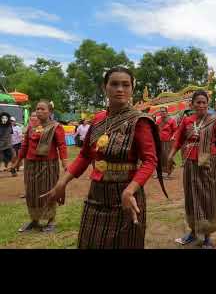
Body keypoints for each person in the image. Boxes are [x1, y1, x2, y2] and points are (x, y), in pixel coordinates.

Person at [42, 67, 166, 248]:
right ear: (105, 88)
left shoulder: (140, 121)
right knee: (91, 241)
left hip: (126, 195)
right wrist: (62, 182)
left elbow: (150, 160)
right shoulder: (99, 119)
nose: (120, 89)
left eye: (125, 85)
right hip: (97, 194)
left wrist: (130, 190)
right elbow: (85, 156)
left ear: (132, 89)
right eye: (114, 84)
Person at [167, 90, 216, 248]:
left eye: (204, 102)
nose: (201, 105)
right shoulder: (187, 121)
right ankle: (193, 232)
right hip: (190, 164)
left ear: (207, 104)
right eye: (198, 102)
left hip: (208, 165)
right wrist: (170, 156)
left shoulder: (215, 120)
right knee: (191, 197)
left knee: (207, 198)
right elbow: (178, 140)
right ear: (192, 104)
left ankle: (207, 237)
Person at [9, 101, 67, 233]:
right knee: (31, 193)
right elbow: (24, 146)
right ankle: (34, 220)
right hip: (30, 165)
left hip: (48, 165)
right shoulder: (31, 127)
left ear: (50, 112)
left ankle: (51, 220)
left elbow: (62, 145)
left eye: (42, 109)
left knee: (48, 192)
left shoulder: (56, 127)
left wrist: (64, 162)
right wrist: (17, 161)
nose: (39, 111)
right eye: (37, 109)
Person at [155, 106, 177, 179]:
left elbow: (175, 130)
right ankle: (159, 173)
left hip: (168, 141)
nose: (162, 113)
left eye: (164, 111)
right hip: (159, 141)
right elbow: (155, 130)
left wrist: (173, 137)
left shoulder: (171, 120)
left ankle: (168, 173)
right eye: (161, 111)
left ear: (167, 112)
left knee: (167, 157)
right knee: (159, 157)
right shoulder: (158, 121)